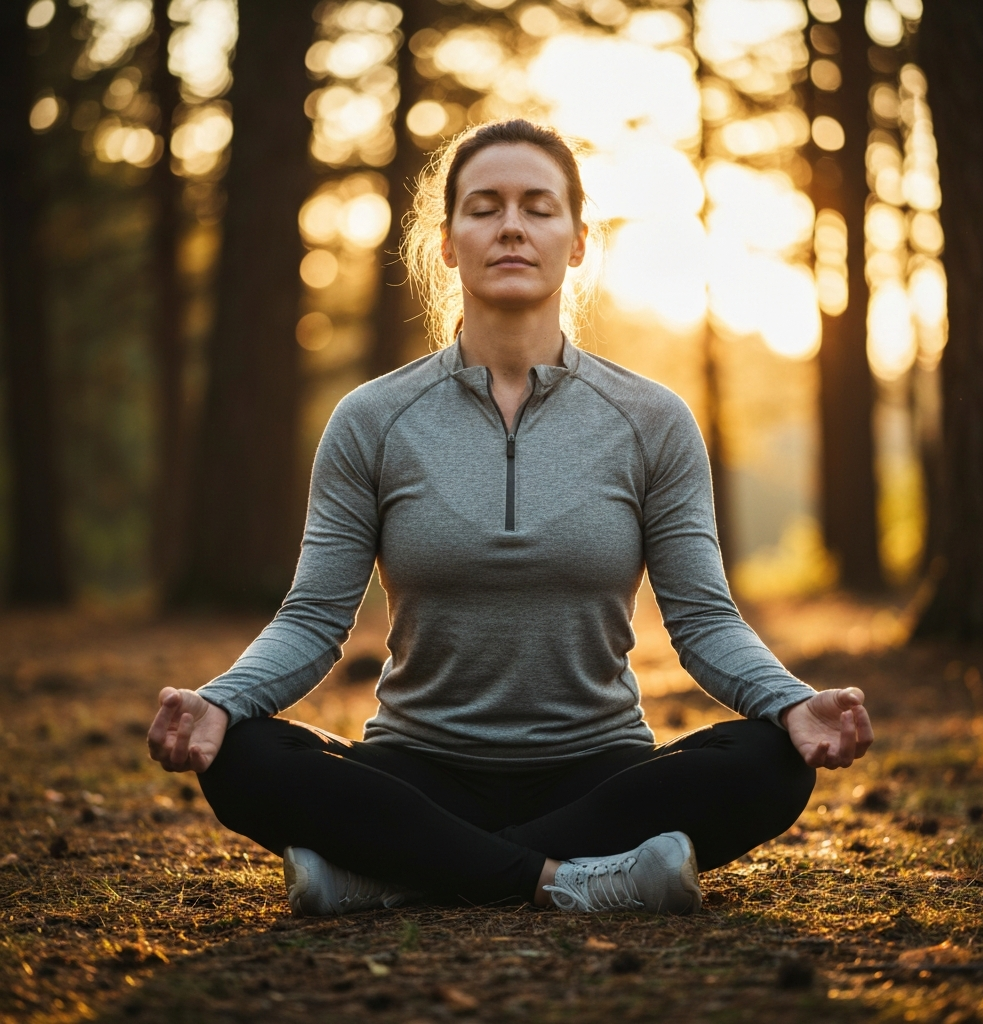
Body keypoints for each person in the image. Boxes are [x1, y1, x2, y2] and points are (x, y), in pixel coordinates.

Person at [147, 119, 873, 917]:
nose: (513, 227)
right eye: (485, 207)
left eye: (539, 206)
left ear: (578, 241)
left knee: (771, 758)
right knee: (244, 752)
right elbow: (315, 618)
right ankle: (564, 880)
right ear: (450, 242)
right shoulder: (371, 420)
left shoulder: (652, 421)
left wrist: (789, 699)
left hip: (598, 771)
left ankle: (399, 872)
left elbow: (702, 621)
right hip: (416, 770)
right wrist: (222, 699)